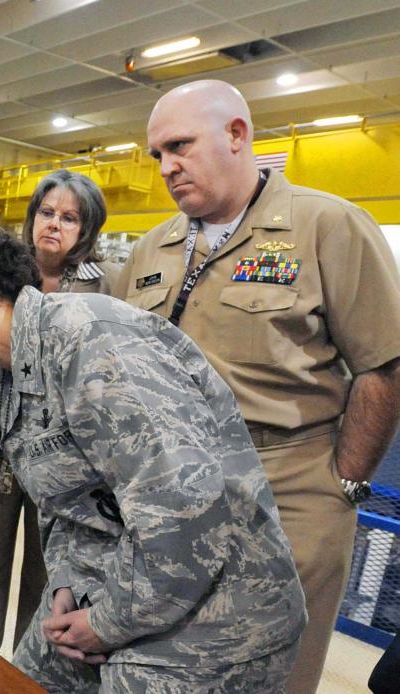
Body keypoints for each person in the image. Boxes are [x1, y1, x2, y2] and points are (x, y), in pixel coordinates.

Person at [0, 221, 306, 692]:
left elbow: (183, 512)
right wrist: (67, 582)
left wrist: (106, 623)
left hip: (214, 621)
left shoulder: (91, 342)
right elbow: (65, 502)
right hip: (120, 588)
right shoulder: (9, 370)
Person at [113, 79, 400, 693]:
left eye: (180, 146)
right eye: (158, 153)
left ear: (237, 135)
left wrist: (342, 483)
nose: (166, 166)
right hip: (172, 491)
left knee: (277, 675)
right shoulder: (150, 249)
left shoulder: (327, 227)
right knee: (168, 668)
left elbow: (384, 364)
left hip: (290, 488)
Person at [0, 170, 118, 651]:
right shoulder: (0, 272)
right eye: (47, 213)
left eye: (69, 218)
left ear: (86, 230)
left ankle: (34, 667)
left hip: (65, 453)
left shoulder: (106, 286)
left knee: (52, 569)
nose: (55, 225)